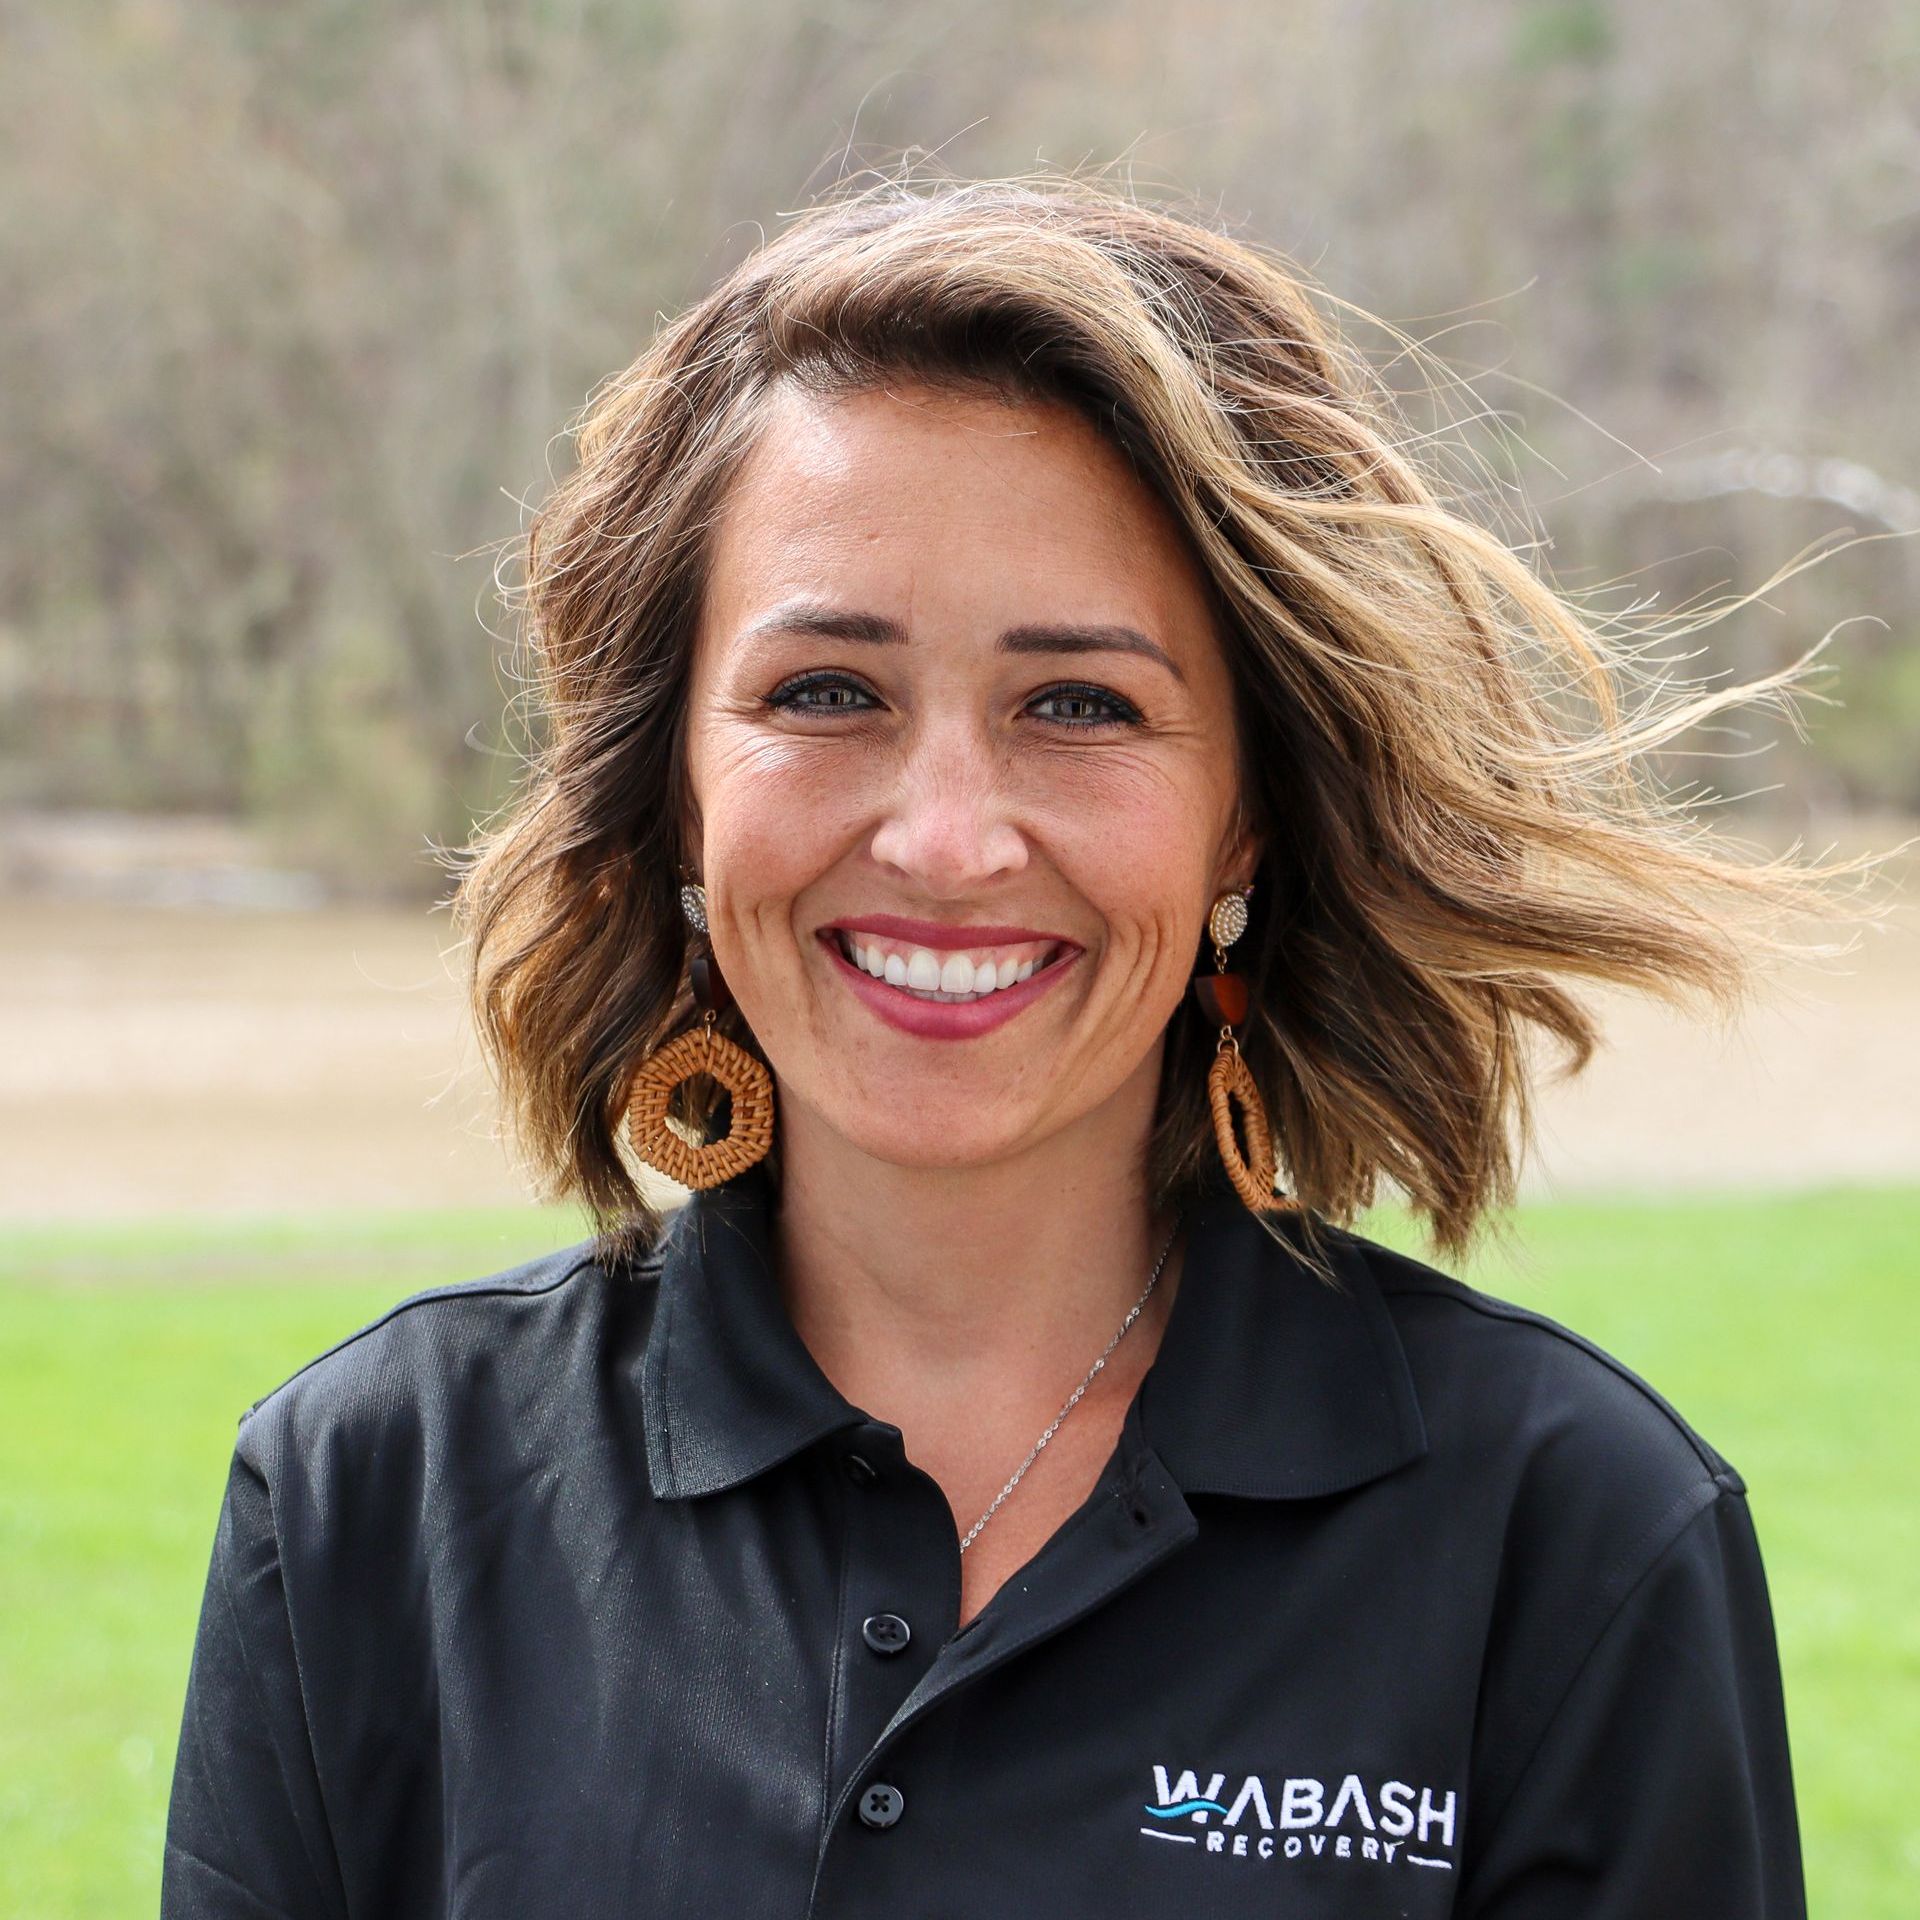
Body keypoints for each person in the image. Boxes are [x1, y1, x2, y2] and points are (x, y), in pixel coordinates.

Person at [162, 168, 1877, 1917]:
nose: (946, 838)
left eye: (1079, 705)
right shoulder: (371, 1497)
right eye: (827, 692)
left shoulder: (1571, 1531)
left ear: (1247, 822)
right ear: (675, 791)